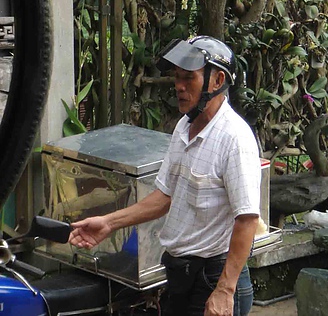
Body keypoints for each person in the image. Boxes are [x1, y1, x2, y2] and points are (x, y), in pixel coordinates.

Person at [68, 35, 261, 316]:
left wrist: (225, 290)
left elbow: (247, 219)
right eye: (177, 78)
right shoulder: (184, 127)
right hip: (181, 274)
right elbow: (164, 197)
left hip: (214, 278)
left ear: (217, 81)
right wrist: (109, 223)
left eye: (188, 78)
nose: (179, 87)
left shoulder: (235, 138)